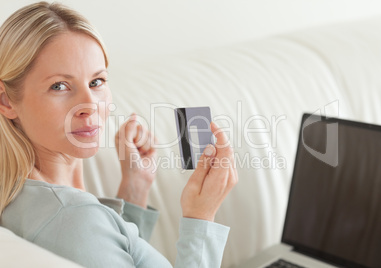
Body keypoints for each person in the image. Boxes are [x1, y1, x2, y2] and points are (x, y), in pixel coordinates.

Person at [0, 2, 238, 267]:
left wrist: (135, 187)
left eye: (96, 82)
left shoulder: (29, 201)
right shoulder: (73, 219)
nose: (89, 105)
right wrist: (200, 217)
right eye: (59, 86)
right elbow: (81, 233)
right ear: (6, 101)